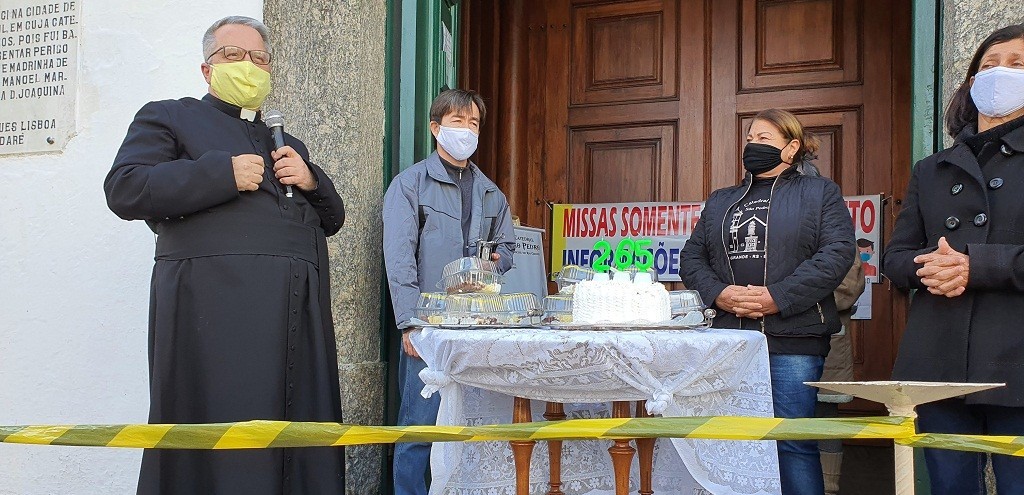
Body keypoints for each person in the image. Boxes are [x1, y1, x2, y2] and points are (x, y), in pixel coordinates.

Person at [103, 16, 346, 495]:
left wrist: (312, 178)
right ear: (206, 68)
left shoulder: (285, 142)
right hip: (214, 313)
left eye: (259, 59)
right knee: (222, 437)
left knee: (298, 439)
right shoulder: (169, 116)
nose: (249, 66)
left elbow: (332, 219)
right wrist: (220, 174)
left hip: (296, 311)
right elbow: (124, 188)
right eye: (234, 56)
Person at [681, 108, 855, 495]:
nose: (753, 145)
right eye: (750, 137)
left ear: (791, 148)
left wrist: (778, 297)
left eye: (764, 139)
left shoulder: (820, 192)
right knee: (730, 439)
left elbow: (837, 253)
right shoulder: (722, 200)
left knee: (792, 441)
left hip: (794, 338)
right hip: (729, 338)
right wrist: (719, 294)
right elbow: (692, 257)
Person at [883, 24, 1024, 495]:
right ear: (969, 82)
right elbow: (896, 258)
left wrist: (976, 266)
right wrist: (932, 267)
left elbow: (978, 260)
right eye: (988, 64)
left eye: (1017, 63)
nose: (999, 72)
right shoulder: (932, 168)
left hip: (1017, 360)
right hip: (938, 361)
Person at [383, 89, 516, 495]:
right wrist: (409, 323)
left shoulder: (491, 192)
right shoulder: (409, 185)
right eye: (457, 122)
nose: (466, 131)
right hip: (429, 327)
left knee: (471, 422)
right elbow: (399, 258)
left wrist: (491, 262)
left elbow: (507, 248)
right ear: (436, 128)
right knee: (420, 424)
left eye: (473, 123)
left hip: (477, 324)